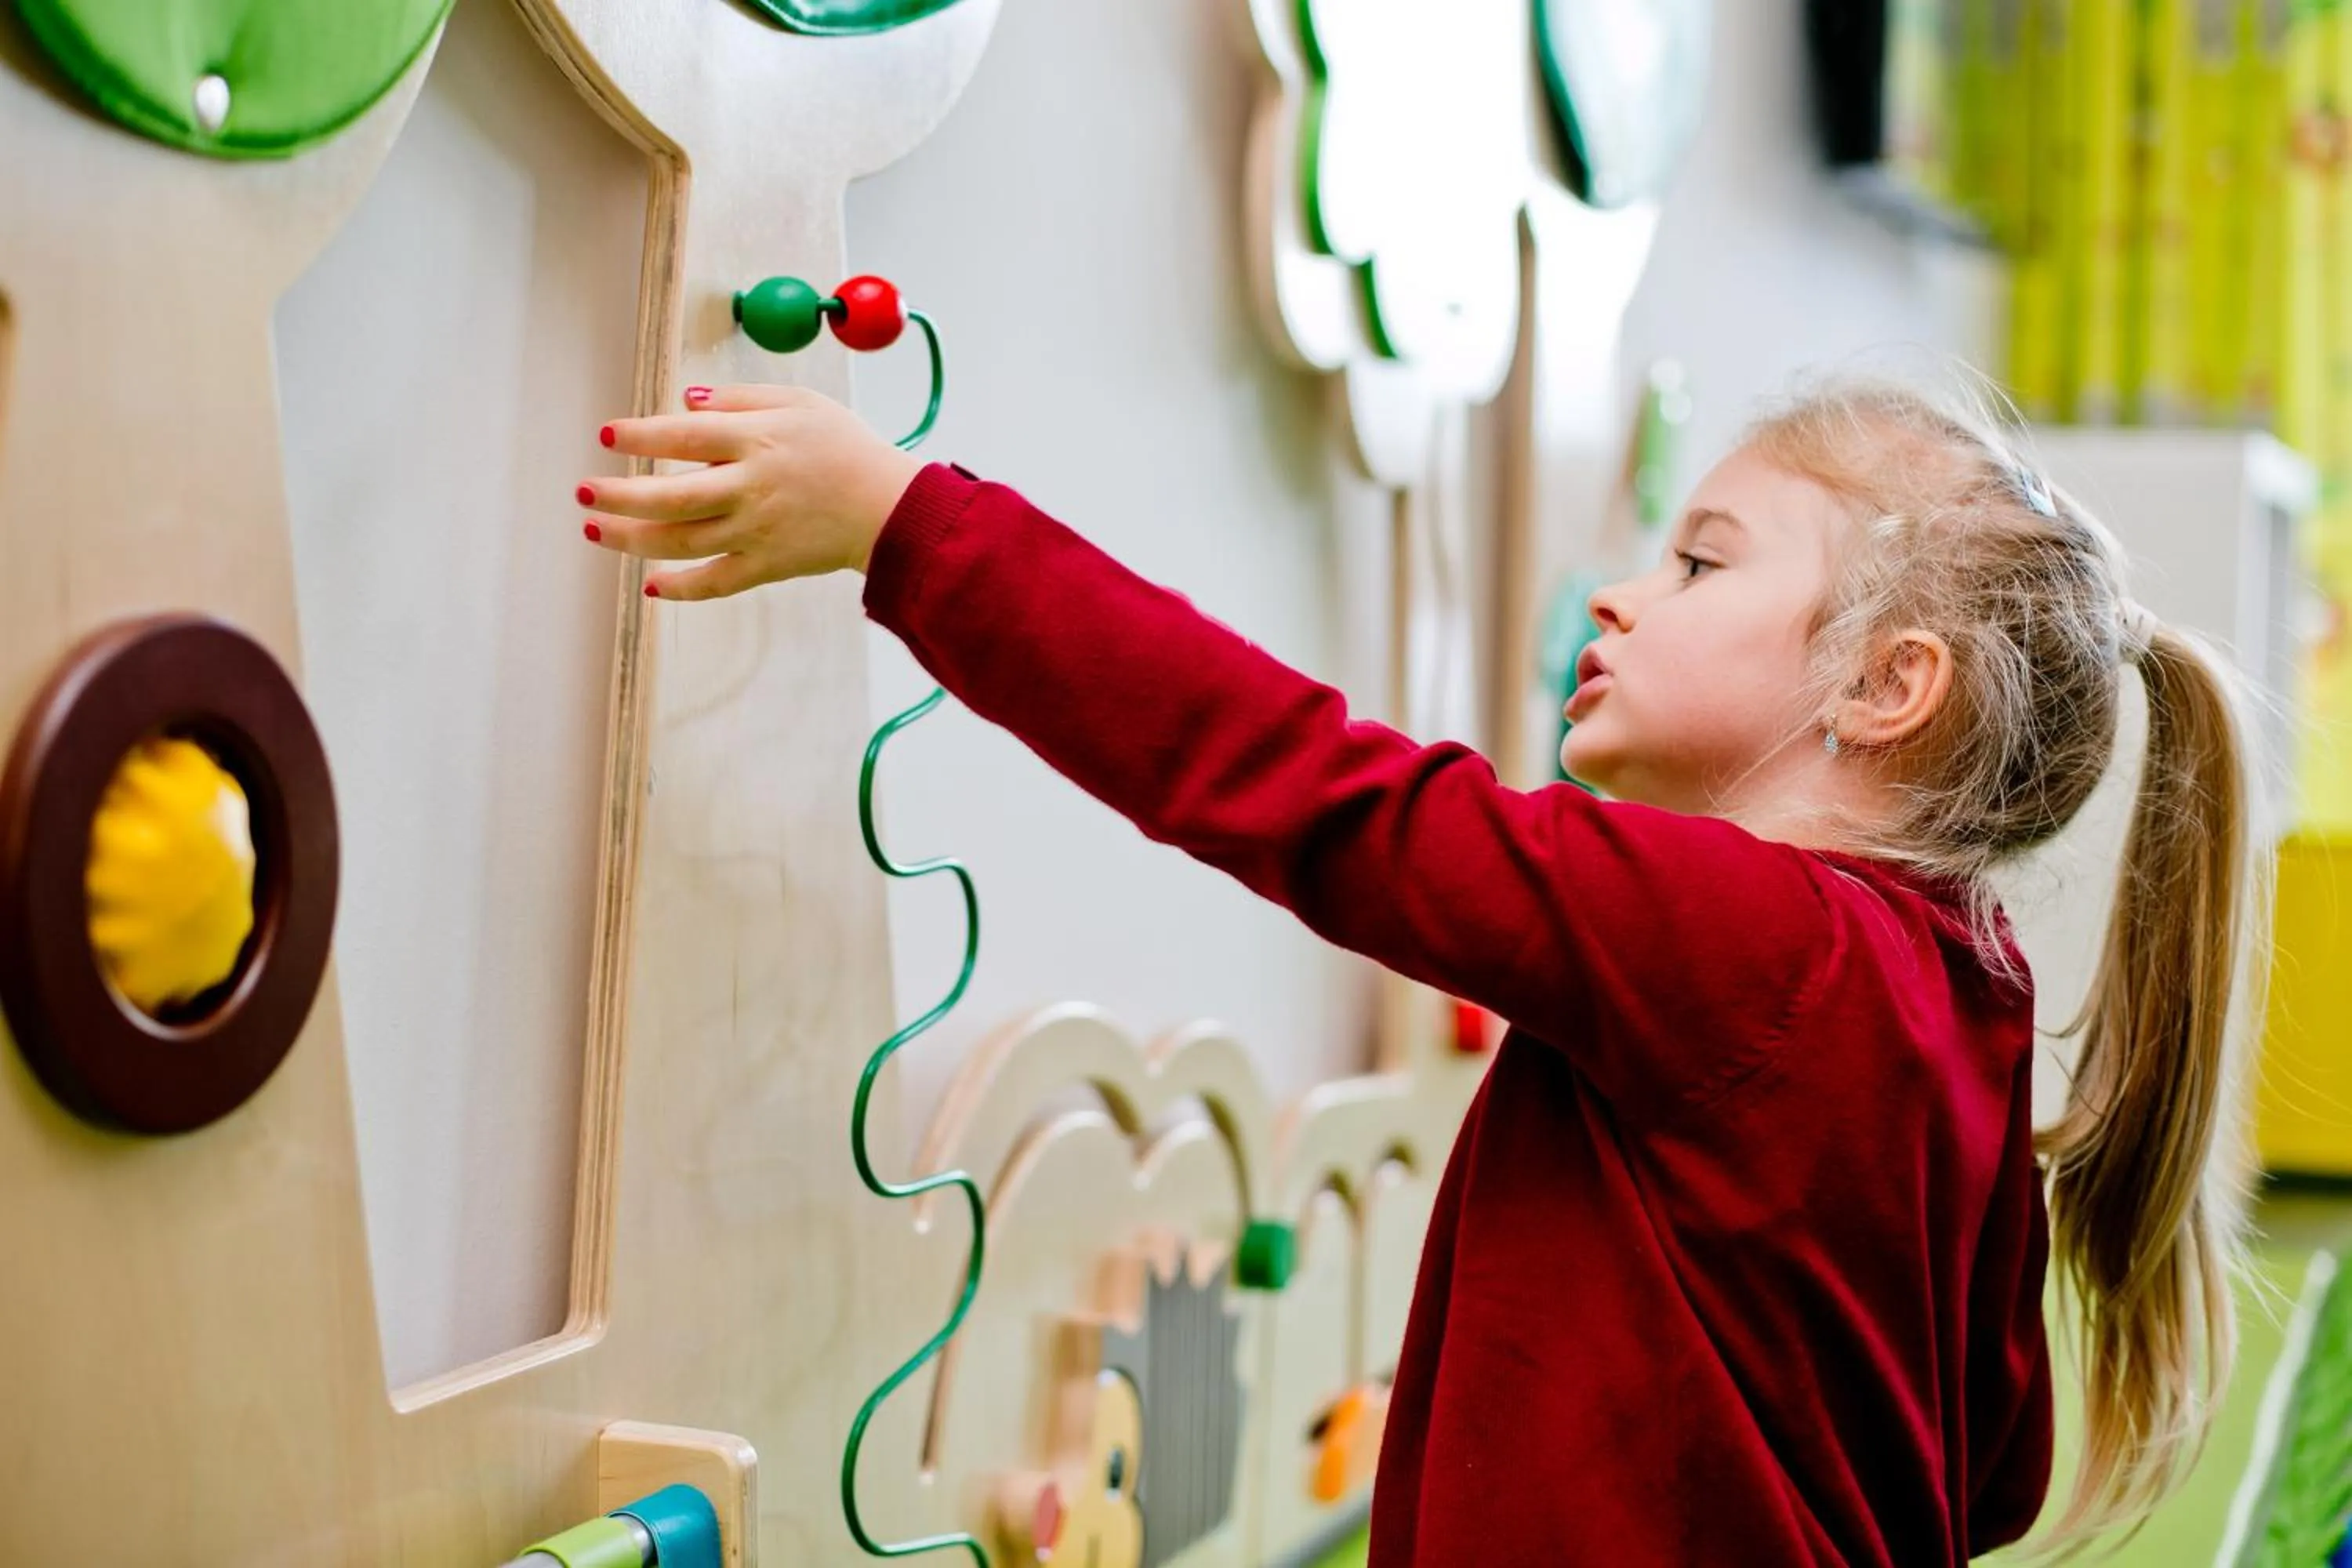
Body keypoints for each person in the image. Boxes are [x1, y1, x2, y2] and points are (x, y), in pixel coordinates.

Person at [575, 374, 2264, 1564]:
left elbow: (1312, 786)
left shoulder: (1744, 939)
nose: (1619, 594)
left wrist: (909, 531)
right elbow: (1997, 1467)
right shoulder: (1960, 994)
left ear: (1888, 685)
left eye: (1698, 560)